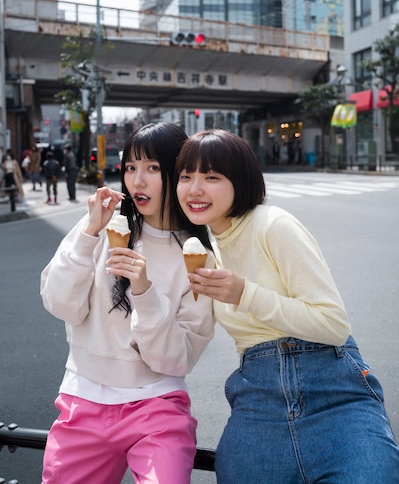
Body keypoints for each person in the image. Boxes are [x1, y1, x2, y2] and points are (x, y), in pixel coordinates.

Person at [176, 129, 399, 484]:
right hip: (258, 400)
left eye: (211, 176)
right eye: (185, 176)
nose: (194, 188)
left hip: (334, 395)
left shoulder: (272, 224)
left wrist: (244, 293)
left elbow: (333, 324)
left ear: (241, 181)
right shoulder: (204, 251)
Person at [40, 122, 216, 484]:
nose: (138, 181)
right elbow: (59, 304)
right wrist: (89, 234)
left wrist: (145, 292)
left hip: (157, 405)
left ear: (178, 174)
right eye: (131, 168)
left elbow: (176, 359)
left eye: (153, 168)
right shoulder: (100, 228)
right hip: (83, 398)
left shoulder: (197, 256)